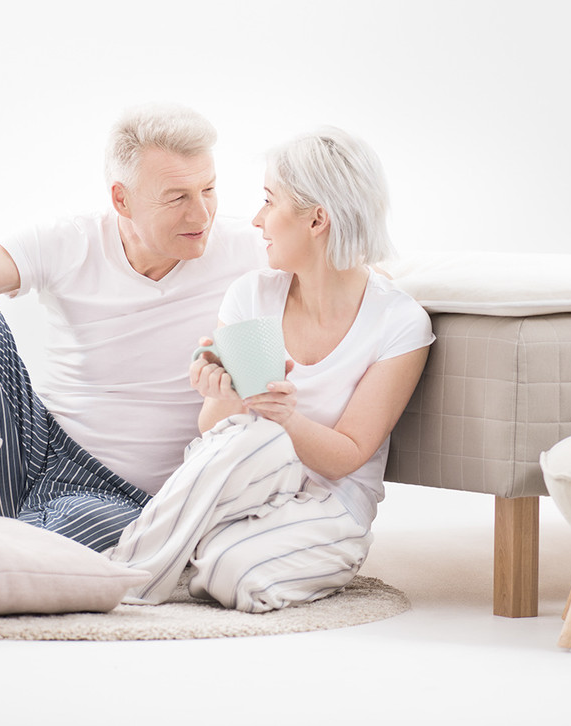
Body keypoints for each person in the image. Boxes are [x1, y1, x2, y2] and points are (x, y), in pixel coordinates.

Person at [0, 105, 266, 551]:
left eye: (208, 189)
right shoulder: (73, 241)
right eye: (177, 198)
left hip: (124, 499)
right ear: (122, 199)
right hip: (36, 452)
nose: (201, 215)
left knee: (86, 527)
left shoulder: (251, 252)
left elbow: (340, 273)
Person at [106, 127, 434, 613]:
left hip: (332, 504)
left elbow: (346, 457)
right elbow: (213, 429)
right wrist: (224, 390)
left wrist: (285, 417)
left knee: (230, 574)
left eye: (268, 200)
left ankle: (201, 554)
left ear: (317, 218)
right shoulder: (252, 295)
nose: (257, 219)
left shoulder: (399, 322)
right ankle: (126, 577)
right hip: (253, 478)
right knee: (251, 436)